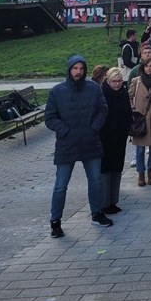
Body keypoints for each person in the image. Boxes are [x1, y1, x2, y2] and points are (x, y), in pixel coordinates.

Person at [44, 54, 111, 237]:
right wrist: (64, 130)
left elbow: (103, 110)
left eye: (81, 68)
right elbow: (50, 118)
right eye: (75, 68)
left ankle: (97, 213)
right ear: (69, 70)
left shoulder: (94, 88)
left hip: (90, 141)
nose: (78, 72)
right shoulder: (57, 91)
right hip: (67, 144)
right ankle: (55, 222)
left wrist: (94, 128)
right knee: (60, 185)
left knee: (95, 180)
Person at [99, 67, 132, 215]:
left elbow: (128, 113)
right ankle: (104, 203)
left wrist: (126, 129)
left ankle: (113, 201)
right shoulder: (102, 94)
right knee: (105, 170)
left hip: (119, 137)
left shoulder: (123, 93)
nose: (117, 84)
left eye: (119, 81)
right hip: (105, 138)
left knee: (117, 168)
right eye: (114, 81)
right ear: (108, 81)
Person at [129, 58, 151, 188]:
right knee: (140, 149)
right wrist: (133, 109)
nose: (149, 68)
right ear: (142, 68)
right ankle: (140, 173)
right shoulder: (136, 81)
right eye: (146, 66)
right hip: (140, 119)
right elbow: (129, 96)